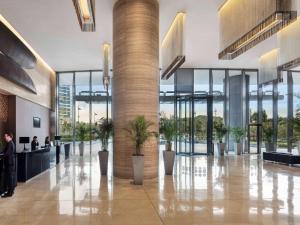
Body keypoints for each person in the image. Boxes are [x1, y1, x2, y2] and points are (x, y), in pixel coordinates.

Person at [1, 132, 16, 198]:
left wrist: (1, 156)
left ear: (9, 136)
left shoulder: (10, 144)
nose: (4, 137)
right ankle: (10, 191)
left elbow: (7, 153)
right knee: (10, 178)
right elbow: (3, 151)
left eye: (5, 136)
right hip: (9, 163)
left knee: (10, 178)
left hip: (10, 163)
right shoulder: (9, 143)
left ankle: (10, 193)